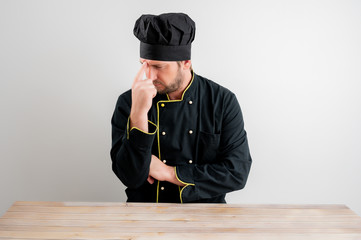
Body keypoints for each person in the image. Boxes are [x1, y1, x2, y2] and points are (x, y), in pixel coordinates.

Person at [110, 13, 252, 203]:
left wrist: (169, 173)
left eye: (158, 66)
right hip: (145, 215)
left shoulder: (222, 100)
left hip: (206, 217)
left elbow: (237, 172)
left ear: (186, 63)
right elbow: (130, 177)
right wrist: (138, 114)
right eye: (144, 65)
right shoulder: (129, 101)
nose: (149, 75)